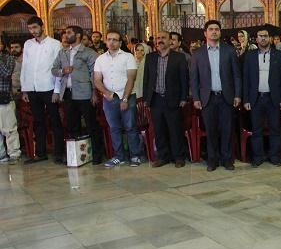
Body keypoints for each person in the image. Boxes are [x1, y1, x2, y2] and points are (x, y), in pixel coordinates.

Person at [190, 20, 242, 172]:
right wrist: (196, 97)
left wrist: (238, 94)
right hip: (208, 98)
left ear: (220, 32)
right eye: (211, 29)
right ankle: (212, 160)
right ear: (205, 33)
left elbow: (237, 75)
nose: (214, 32)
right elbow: (194, 78)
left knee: (227, 130)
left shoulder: (229, 51)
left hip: (226, 97)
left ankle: (227, 160)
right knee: (211, 131)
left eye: (217, 29)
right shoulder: (198, 53)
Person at [51, 25, 103, 166]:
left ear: (78, 35)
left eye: (69, 33)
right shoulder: (63, 52)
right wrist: (63, 71)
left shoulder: (88, 52)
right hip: (68, 93)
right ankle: (77, 156)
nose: (66, 35)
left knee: (91, 124)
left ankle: (97, 154)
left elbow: (94, 74)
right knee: (72, 125)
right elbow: (53, 70)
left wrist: (94, 92)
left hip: (85, 93)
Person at [93, 30, 142, 167]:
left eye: (115, 40)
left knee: (130, 127)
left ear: (120, 43)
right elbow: (97, 80)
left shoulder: (128, 57)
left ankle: (135, 156)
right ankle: (119, 156)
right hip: (109, 98)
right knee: (114, 128)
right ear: (105, 41)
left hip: (127, 96)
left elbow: (131, 78)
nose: (111, 42)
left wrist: (125, 99)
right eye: (109, 39)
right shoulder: (100, 59)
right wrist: (107, 93)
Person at [20, 16, 65, 165]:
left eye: (35, 27)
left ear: (42, 26)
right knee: (38, 121)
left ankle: (59, 154)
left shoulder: (55, 44)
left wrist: (57, 90)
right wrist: (25, 89)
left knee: (55, 120)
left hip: (49, 87)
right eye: (30, 29)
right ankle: (40, 153)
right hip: (32, 88)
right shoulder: (28, 44)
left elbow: (58, 68)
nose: (33, 31)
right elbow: (25, 67)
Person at [142, 31, 189, 168]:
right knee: (159, 130)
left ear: (170, 41)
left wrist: (183, 97)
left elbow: (184, 79)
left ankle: (178, 157)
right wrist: (146, 98)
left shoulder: (179, 57)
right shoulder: (150, 57)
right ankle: (163, 157)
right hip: (155, 99)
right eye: (158, 38)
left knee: (175, 129)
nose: (160, 40)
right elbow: (146, 79)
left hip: (173, 98)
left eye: (163, 38)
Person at [243, 28, 281, 167]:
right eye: (260, 36)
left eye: (265, 36)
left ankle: (275, 156)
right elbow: (246, 78)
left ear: (270, 38)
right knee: (257, 129)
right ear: (256, 39)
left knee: (275, 128)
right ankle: (258, 157)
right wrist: (246, 99)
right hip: (256, 98)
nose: (263, 38)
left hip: (273, 98)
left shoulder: (278, 55)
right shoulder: (250, 56)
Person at [0, 41, 20, 164]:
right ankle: (1, 155)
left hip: (5, 98)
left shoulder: (9, 59)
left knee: (9, 129)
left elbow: (7, 74)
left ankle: (14, 154)